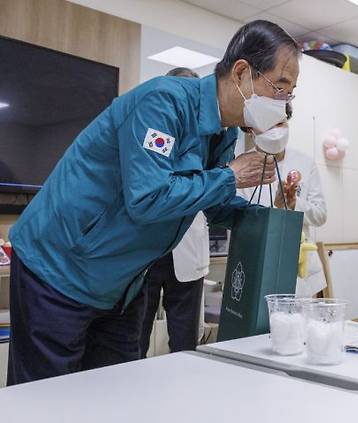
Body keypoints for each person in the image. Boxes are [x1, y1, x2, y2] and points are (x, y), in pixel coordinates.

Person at [7, 20, 300, 385]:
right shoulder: (163, 102)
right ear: (242, 73)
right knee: (44, 401)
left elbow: (214, 205)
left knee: (117, 394)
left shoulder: (223, 134)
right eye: (280, 87)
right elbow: (147, 198)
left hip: (122, 284)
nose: (283, 104)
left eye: (290, 94)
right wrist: (230, 176)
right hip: (59, 269)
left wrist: (270, 214)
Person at [138, 67, 208, 358]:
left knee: (185, 342)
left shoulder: (206, 140)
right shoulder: (154, 132)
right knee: (136, 337)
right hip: (149, 251)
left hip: (187, 251)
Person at [238, 104, 328, 297]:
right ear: (250, 129)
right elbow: (241, 222)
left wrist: (295, 204)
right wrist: (277, 209)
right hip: (261, 263)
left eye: (280, 122)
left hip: (301, 267)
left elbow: (321, 215)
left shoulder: (305, 162)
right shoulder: (241, 166)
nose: (275, 131)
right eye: (267, 125)